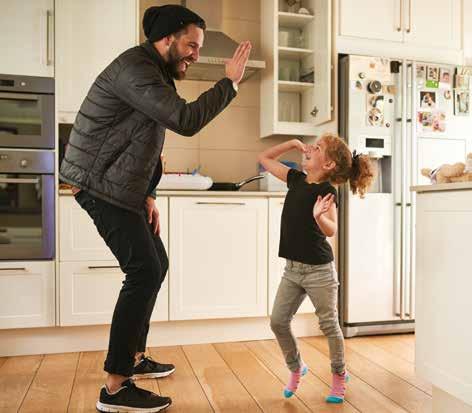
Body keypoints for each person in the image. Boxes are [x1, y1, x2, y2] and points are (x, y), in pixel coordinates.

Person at [59, 4, 251, 412]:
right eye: (191, 45)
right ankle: (115, 387)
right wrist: (230, 83)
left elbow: (147, 145)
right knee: (144, 269)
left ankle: (133, 357)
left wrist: (149, 195)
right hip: (98, 184)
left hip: (120, 187)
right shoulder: (136, 69)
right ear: (167, 39)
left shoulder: (154, 72)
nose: (196, 54)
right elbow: (184, 120)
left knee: (155, 264)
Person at [257, 134, 375, 403]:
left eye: (317, 147)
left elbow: (331, 230)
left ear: (328, 164)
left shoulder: (327, 191)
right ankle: (296, 366)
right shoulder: (295, 179)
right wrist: (292, 144)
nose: (310, 148)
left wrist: (319, 217)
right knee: (278, 321)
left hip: (319, 271)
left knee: (329, 325)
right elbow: (264, 158)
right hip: (292, 270)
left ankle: (339, 375)